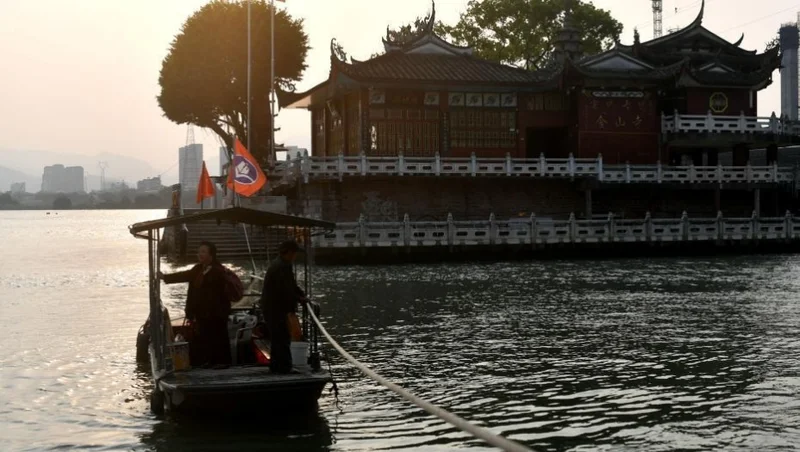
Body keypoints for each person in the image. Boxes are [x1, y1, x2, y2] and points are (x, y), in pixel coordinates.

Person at [158, 241, 231, 368]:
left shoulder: (218, 271)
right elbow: (184, 275)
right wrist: (164, 277)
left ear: (211, 255)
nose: (200, 254)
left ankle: (221, 363)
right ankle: (208, 363)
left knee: (218, 338)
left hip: (216, 314)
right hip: (202, 314)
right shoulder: (198, 269)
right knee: (204, 338)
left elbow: (216, 295)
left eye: (203, 252)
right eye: (199, 252)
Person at [260, 239, 307, 373]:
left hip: (272, 307)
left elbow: (291, 285)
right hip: (275, 308)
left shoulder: (281, 264)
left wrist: (300, 294)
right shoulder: (282, 267)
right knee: (282, 338)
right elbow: (285, 289)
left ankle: (277, 366)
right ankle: (285, 367)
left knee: (278, 338)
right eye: (294, 253)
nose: (295, 256)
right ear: (289, 252)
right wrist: (300, 298)